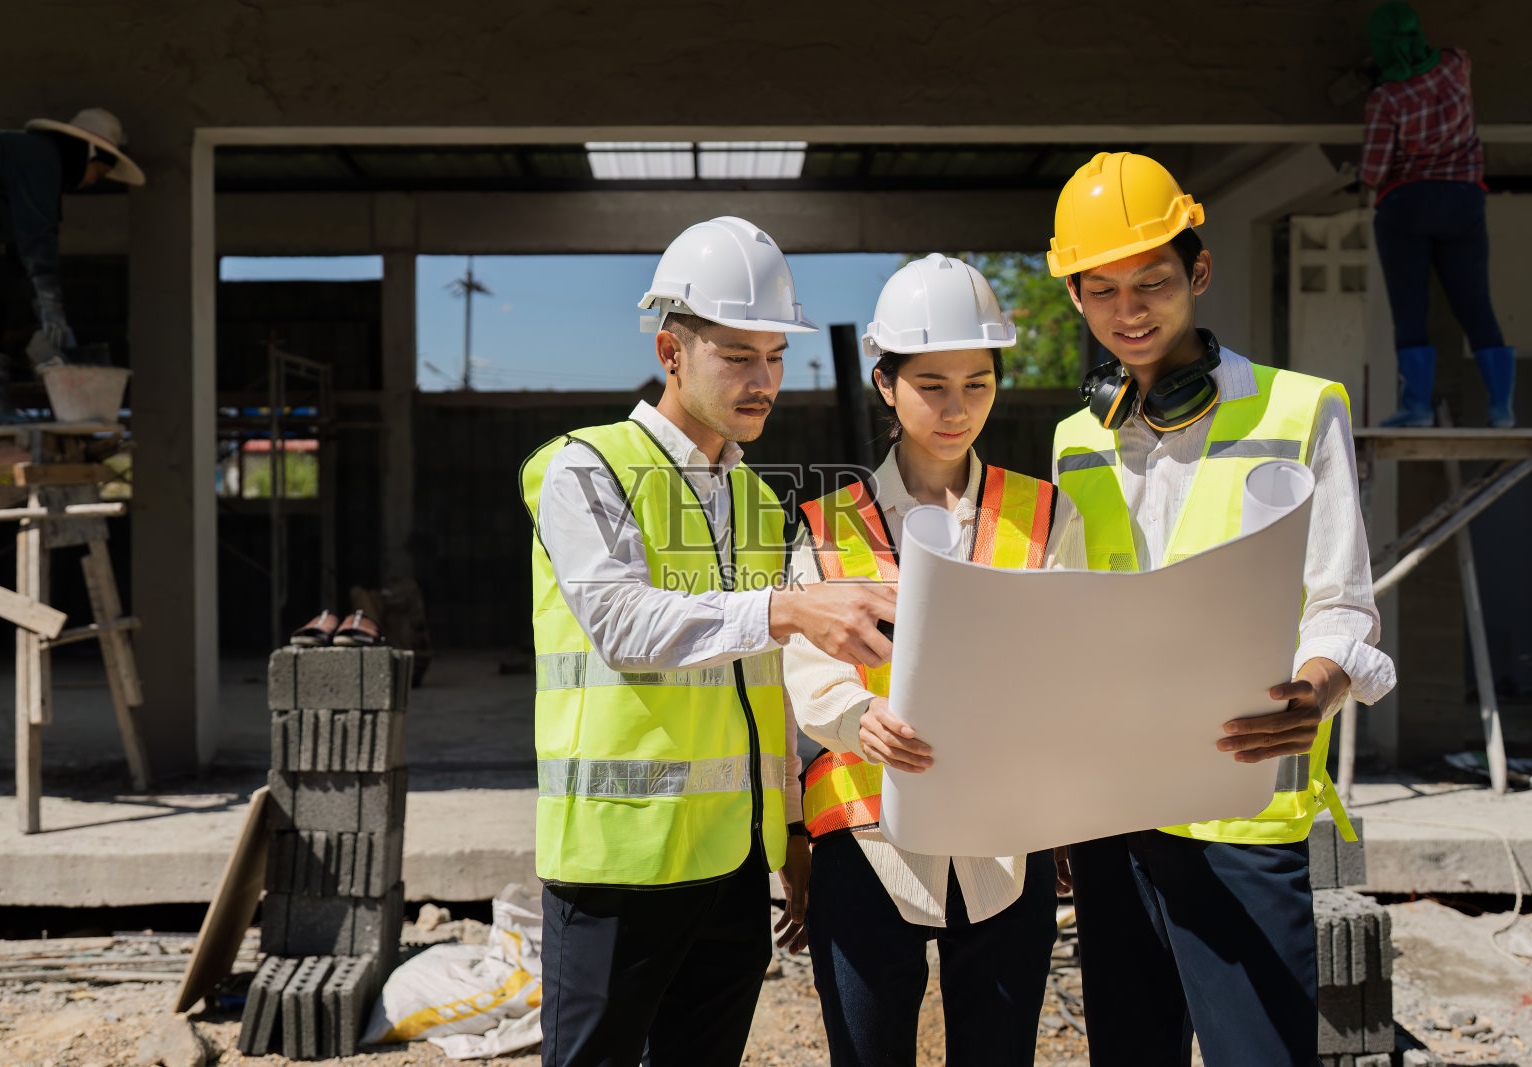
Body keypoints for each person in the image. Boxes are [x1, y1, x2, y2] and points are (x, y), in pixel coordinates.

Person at [520, 216, 896, 1067]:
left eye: (775, 356)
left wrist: (794, 832)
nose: (764, 380)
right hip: (618, 862)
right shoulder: (586, 470)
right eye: (737, 355)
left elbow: (767, 687)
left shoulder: (761, 502)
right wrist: (791, 608)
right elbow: (623, 626)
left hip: (734, 863)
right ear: (671, 350)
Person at [1046, 152, 1396, 1065]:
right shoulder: (1075, 439)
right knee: (1130, 1049)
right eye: (1103, 289)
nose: (1130, 311)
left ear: (1198, 273)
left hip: (1246, 814)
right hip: (1113, 811)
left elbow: (1343, 602)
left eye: (1153, 282)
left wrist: (1317, 688)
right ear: (1077, 297)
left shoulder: (1299, 411)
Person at [786, 253, 1083, 1066]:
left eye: (977, 383)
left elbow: (1066, 661)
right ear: (886, 383)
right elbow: (807, 672)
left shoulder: (1045, 512)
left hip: (1004, 838)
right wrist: (858, 716)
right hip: (865, 832)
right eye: (932, 384)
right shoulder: (826, 523)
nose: (957, 408)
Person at [0, 108, 145, 426]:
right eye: (97, 173)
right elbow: (37, 238)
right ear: (89, 153)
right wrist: (51, 310)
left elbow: (16, 250)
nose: (90, 183)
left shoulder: (15, 153)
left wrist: (33, 309)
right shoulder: (42, 159)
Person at [1359, 1, 1515, 428]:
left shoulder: (1386, 99)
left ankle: (1417, 408)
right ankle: (1502, 409)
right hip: (1464, 200)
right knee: (1476, 305)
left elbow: (1373, 172)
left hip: (1407, 205)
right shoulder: (1456, 64)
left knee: (1412, 309)